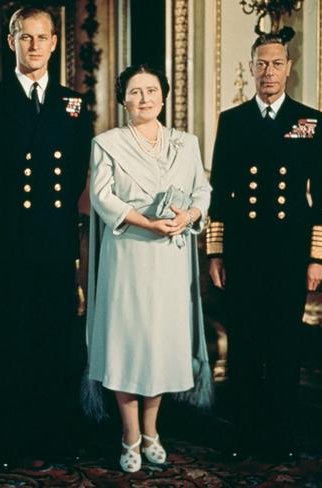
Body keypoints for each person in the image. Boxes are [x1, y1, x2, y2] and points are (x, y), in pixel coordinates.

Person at [0, 6, 92, 466]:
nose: (35, 46)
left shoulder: (74, 103)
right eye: (26, 37)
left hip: (55, 245)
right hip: (8, 244)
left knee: (55, 341)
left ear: (56, 43)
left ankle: (52, 437)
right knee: (10, 340)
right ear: (12, 41)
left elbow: (78, 172)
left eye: (43, 37)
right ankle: (6, 440)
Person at [206, 30, 322, 461]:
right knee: (244, 344)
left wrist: (318, 257)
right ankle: (244, 433)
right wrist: (216, 251)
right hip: (243, 251)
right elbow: (219, 191)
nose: (268, 72)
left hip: (289, 252)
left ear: (289, 68)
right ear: (251, 67)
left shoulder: (309, 120)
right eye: (261, 63)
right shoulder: (233, 119)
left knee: (283, 345)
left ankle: (281, 436)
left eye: (276, 63)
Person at [85, 64, 212, 473]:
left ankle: (152, 431)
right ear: (123, 99)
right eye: (135, 92)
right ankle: (129, 435)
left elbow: (202, 190)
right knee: (129, 342)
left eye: (152, 90)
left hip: (170, 256)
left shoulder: (185, 143)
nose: (144, 98)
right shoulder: (107, 143)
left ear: (164, 95)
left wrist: (189, 215)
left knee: (160, 344)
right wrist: (147, 222)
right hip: (129, 254)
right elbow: (103, 199)